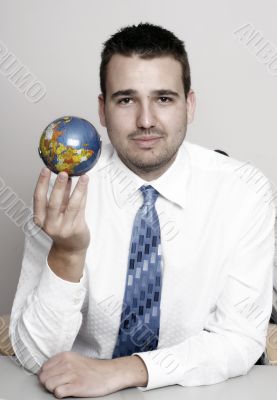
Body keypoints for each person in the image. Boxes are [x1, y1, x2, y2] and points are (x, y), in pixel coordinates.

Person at [9, 23, 275, 398]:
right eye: (126, 100)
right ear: (102, 110)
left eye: (164, 98)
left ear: (190, 104)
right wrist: (67, 255)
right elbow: (36, 357)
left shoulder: (244, 192)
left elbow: (240, 338)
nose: (146, 120)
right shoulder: (62, 192)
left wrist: (123, 372)